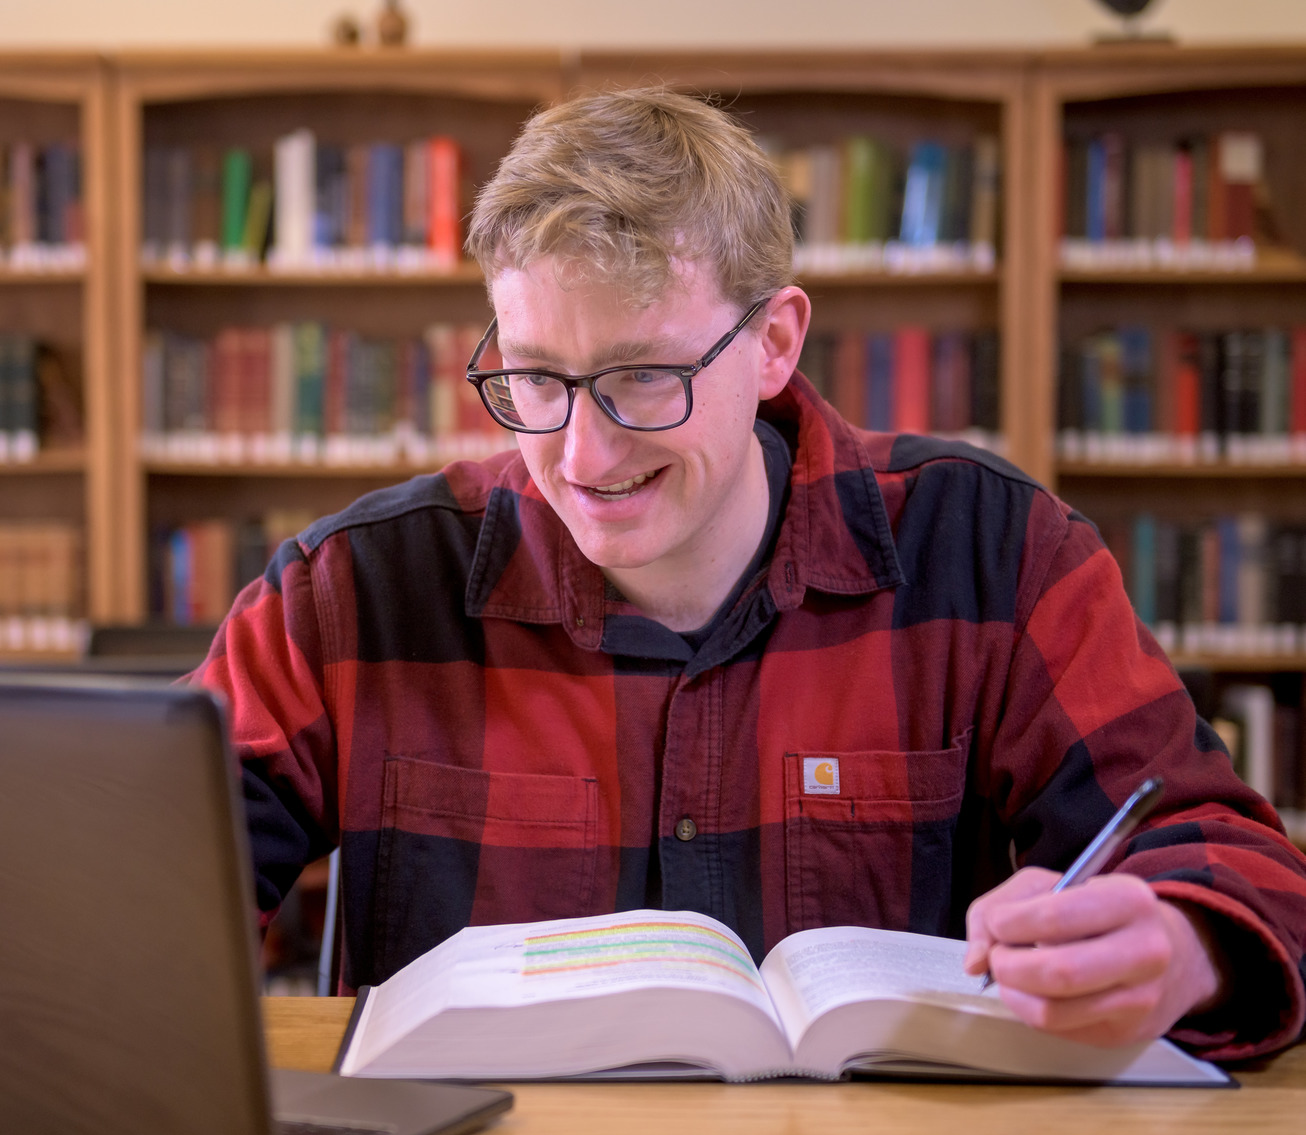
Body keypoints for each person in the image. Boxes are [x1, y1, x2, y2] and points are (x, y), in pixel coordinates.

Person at [192, 87, 1306, 1059]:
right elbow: (135, 877)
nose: (581, 456)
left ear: (774, 342)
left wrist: (1177, 944)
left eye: (644, 379)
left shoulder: (993, 552)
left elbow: (1238, 862)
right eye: (535, 377)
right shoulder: (348, 592)